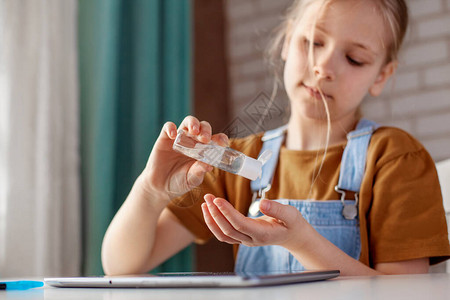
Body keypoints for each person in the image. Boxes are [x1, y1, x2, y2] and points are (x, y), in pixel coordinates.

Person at [101, 0, 450, 276]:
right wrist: (152, 190)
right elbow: (121, 266)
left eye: (354, 59)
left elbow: (408, 292)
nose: (323, 67)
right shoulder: (234, 161)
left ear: (382, 75)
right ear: (286, 40)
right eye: (313, 42)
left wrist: (300, 241)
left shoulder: (396, 159)